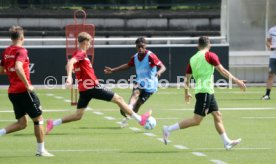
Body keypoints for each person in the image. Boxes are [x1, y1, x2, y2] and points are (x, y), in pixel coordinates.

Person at [46, 32, 152, 134]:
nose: (90, 45)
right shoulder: (80, 53)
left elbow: (68, 65)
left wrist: (72, 70)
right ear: (85, 42)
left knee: (78, 116)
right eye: (89, 42)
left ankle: (52, 123)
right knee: (119, 99)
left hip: (84, 90)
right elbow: (70, 62)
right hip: (92, 86)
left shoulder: (78, 54)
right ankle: (140, 119)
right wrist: (69, 77)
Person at [162, 36, 246, 150]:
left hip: (206, 92)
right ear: (209, 45)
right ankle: (168, 129)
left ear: (198, 46)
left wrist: (186, 93)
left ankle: (227, 142)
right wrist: (237, 81)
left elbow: (187, 78)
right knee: (196, 120)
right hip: (205, 92)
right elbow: (222, 71)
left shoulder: (193, 58)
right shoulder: (210, 55)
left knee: (217, 115)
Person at [0, 26, 53, 157]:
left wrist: (11, 71)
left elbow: (1, 71)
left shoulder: (6, 51)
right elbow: (18, 67)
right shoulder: (22, 50)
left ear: (11, 38)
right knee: (38, 119)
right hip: (23, 91)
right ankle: (41, 151)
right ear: (22, 38)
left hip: (12, 92)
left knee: (22, 123)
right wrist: (27, 84)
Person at [104, 37, 166, 128]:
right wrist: (113, 70)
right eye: (138, 47)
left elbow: (163, 67)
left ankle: (127, 115)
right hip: (140, 82)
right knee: (135, 93)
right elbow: (127, 65)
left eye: (142, 47)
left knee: (138, 105)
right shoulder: (135, 57)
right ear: (136, 47)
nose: (140, 49)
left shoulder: (151, 56)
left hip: (151, 85)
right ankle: (129, 107)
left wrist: (159, 72)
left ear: (146, 46)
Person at [262, 25, 276, 100]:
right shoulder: (272, 29)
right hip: (273, 56)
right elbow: (267, 41)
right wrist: (270, 46)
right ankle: (267, 95)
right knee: (271, 75)